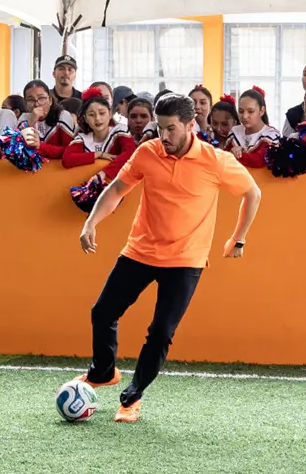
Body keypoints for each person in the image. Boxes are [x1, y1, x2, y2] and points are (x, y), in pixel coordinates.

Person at [72, 93, 262, 424]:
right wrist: (91, 222)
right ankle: (102, 372)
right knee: (102, 313)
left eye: (171, 129)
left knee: (160, 332)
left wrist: (238, 238)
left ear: (191, 125)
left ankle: (132, 397)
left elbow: (252, 193)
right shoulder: (148, 153)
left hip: (186, 260)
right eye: (160, 128)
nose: (164, 137)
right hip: (140, 250)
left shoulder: (215, 160)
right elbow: (117, 189)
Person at [19, 80, 76, 159]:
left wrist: (40, 146)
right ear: (25, 103)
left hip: (58, 168)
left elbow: (70, 151)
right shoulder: (24, 118)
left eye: (41, 98)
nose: (36, 104)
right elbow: (17, 150)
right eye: (30, 100)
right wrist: (31, 122)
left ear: (50, 100)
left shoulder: (62, 116)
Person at [226, 87, 280, 167]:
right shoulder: (235, 132)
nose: (244, 116)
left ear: (262, 111)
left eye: (250, 111)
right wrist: (231, 152)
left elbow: (258, 160)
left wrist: (233, 156)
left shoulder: (271, 134)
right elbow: (223, 158)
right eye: (241, 111)